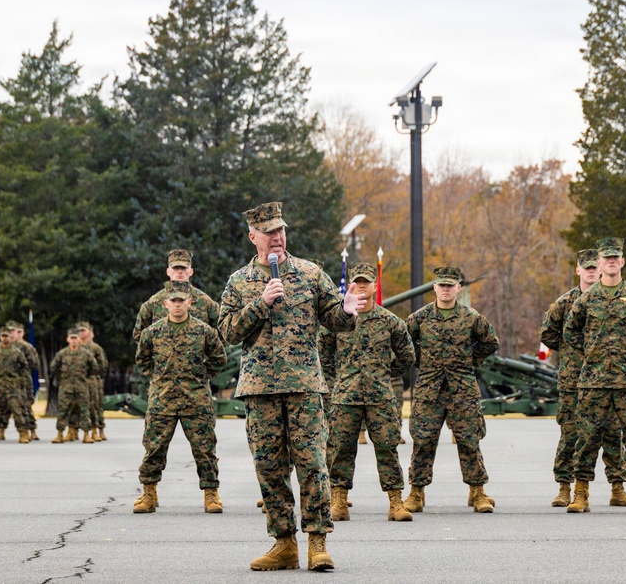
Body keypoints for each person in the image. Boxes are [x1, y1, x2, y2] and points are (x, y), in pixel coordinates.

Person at [219, 201, 361, 572]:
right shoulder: (239, 281)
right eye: (269, 232)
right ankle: (284, 544)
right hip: (259, 388)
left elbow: (336, 319)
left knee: (312, 464)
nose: (277, 237)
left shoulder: (311, 274)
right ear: (254, 237)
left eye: (281, 230)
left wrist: (345, 310)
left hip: (303, 386)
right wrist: (260, 304)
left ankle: (317, 543)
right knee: (269, 467)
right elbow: (228, 332)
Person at [563, 237, 626, 514]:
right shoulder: (586, 299)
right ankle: (580, 494)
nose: (610, 262)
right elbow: (570, 331)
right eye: (606, 258)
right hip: (593, 381)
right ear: (600, 263)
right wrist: (591, 353)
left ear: (622, 262)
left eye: (615, 257)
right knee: (587, 437)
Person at [321, 262, 416, 522]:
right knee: (340, 449)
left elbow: (407, 355)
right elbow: (323, 352)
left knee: (387, 448)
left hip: (380, 396)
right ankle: (338, 501)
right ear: (350, 285)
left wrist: (386, 374)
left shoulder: (390, 322)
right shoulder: (338, 321)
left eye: (366, 282)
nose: (361, 286)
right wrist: (338, 377)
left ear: (375, 286)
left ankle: (396, 502)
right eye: (357, 282)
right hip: (345, 396)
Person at [540, 248, 626, 507]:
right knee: (571, 433)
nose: (592, 271)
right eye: (587, 268)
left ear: (602, 269)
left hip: (607, 377)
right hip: (573, 379)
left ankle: (617, 488)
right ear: (579, 270)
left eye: (595, 267)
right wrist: (573, 348)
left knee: (612, 432)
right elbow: (547, 333)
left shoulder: (613, 298)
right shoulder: (565, 302)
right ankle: (564, 487)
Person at [403, 266, 499, 515]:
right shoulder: (420, 317)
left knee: (469, 441)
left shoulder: (471, 317)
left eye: (450, 285)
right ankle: (416, 492)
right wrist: (420, 361)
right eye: (441, 285)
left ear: (458, 288)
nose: (445, 289)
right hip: (429, 389)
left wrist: (470, 360)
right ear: (434, 288)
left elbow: (491, 342)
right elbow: (402, 343)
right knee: (423, 441)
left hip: (462, 389)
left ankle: (477, 492)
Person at [134, 280, 227, 514]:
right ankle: (149, 493)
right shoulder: (152, 332)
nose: (177, 304)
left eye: (181, 301)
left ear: (189, 302)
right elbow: (142, 360)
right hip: (162, 400)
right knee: (154, 448)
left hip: (196, 400)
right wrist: (158, 378)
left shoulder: (204, 331)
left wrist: (200, 376)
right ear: (166, 303)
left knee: (205, 449)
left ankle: (211, 494)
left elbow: (219, 359)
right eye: (173, 301)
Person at [133, 248, 221, 341]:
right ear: (168, 271)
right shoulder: (154, 302)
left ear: (191, 271)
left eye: (184, 268)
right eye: (175, 268)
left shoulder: (206, 302)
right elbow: (140, 336)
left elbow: (221, 335)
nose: (179, 271)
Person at [0, 327, 31, 444]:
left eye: (7, 336)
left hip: (13, 386)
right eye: (3, 336)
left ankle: (23, 434)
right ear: (0, 337)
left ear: (10, 337)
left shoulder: (16, 352)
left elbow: (24, 367)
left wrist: (18, 379)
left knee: (17, 410)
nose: (5, 338)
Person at [49, 328, 97, 443]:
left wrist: (84, 377)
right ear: (68, 339)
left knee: (85, 411)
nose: (74, 341)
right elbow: (53, 367)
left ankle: (86, 434)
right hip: (66, 387)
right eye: (72, 338)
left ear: (79, 340)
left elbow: (94, 368)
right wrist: (62, 378)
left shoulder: (86, 354)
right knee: (63, 411)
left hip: (81, 387)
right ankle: (60, 434)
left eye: (76, 338)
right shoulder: (62, 354)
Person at [77, 322, 109, 441]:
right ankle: (73, 431)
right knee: (77, 405)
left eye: (84, 330)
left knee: (95, 405)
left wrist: (96, 377)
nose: (82, 333)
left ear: (90, 333)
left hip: (92, 380)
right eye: (80, 331)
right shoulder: (75, 346)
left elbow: (103, 365)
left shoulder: (95, 348)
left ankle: (98, 429)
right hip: (79, 380)